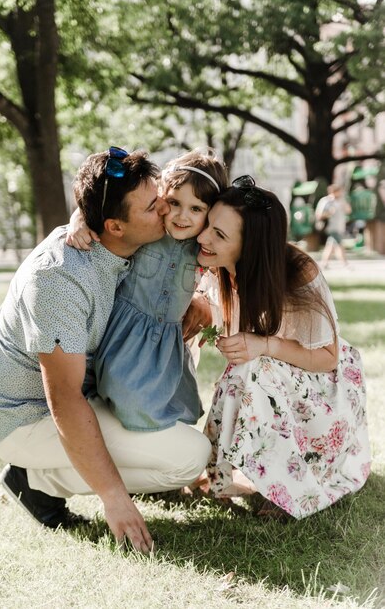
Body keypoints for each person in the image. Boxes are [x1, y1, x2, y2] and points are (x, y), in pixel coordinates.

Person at [0, 147, 212, 553]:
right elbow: (63, 400)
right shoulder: (58, 280)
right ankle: (36, 481)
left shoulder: (117, 242)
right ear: (115, 226)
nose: (167, 211)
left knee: (177, 440)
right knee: (188, 457)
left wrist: (198, 301)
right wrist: (114, 498)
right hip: (24, 417)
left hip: (87, 394)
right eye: (155, 206)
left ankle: (61, 473)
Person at [197, 175, 371, 519]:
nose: (203, 237)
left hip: (326, 383)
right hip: (276, 373)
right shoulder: (216, 266)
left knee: (249, 368)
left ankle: (288, 489)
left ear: (252, 245)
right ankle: (219, 476)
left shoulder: (298, 272)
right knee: (244, 370)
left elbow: (328, 358)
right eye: (208, 226)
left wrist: (263, 345)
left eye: (219, 234)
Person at [66, 149, 228, 431]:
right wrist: (78, 219)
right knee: (126, 403)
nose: (181, 216)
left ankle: (167, 461)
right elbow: (104, 206)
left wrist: (205, 303)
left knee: (178, 412)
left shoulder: (203, 248)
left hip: (168, 343)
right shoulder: (149, 232)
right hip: (127, 334)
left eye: (196, 209)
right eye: (174, 203)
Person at [315, 183, 351, 269]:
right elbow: (319, 215)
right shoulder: (326, 201)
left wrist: (344, 204)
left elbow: (349, 211)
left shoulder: (341, 200)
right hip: (331, 227)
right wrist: (329, 213)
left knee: (330, 246)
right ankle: (345, 263)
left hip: (339, 227)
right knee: (339, 244)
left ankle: (324, 263)